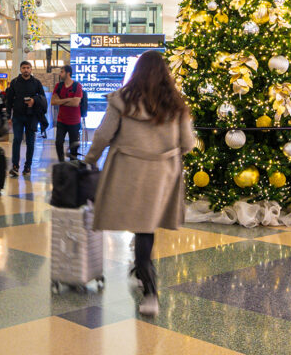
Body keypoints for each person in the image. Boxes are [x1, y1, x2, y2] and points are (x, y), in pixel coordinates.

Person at [84, 50, 195, 317]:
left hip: (127, 170)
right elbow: (188, 144)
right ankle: (143, 280)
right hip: (162, 173)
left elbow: (102, 135)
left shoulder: (122, 100)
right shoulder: (176, 104)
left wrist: (90, 159)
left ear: (137, 71)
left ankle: (148, 286)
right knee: (146, 226)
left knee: (139, 223)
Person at [5, 61, 46, 177]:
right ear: (20, 69)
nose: (26, 70)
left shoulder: (36, 83)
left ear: (31, 69)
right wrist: (9, 116)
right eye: (24, 68)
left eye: (28, 68)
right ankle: (15, 166)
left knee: (30, 142)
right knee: (17, 140)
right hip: (18, 116)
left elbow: (42, 98)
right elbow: (9, 100)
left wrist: (34, 100)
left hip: (32, 117)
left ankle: (28, 166)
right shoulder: (14, 82)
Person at [52, 65, 84, 161]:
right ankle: (61, 162)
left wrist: (61, 100)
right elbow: (53, 102)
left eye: (62, 72)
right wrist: (69, 99)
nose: (60, 74)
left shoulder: (77, 86)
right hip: (61, 120)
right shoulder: (59, 86)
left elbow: (75, 103)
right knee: (58, 143)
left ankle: (73, 164)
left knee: (73, 145)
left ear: (68, 73)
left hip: (74, 121)